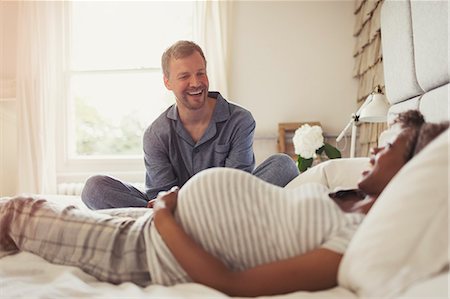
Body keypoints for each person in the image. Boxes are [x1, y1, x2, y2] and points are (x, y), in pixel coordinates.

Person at [0, 110, 447, 296]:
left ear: (414, 171)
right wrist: (165, 206)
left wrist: (167, 218)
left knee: (17, 211)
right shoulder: (347, 206)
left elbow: (235, 284)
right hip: (158, 217)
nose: (372, 150)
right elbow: (162, 185)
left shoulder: (356, 241)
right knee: (75, 194)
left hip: (153, 246)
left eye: (386, 145)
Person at [81, 40, 299, 209]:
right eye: (184, 76)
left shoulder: (241, 120)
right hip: (174, 208)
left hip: (228, 203)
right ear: (168, 82)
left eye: (200, 73)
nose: (196, 83)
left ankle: (175, 221)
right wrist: (168, 207)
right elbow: (162, 194)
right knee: (94, 188)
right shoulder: (155, 134)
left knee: (283, 164)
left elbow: (237, 185)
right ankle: (176, 221)